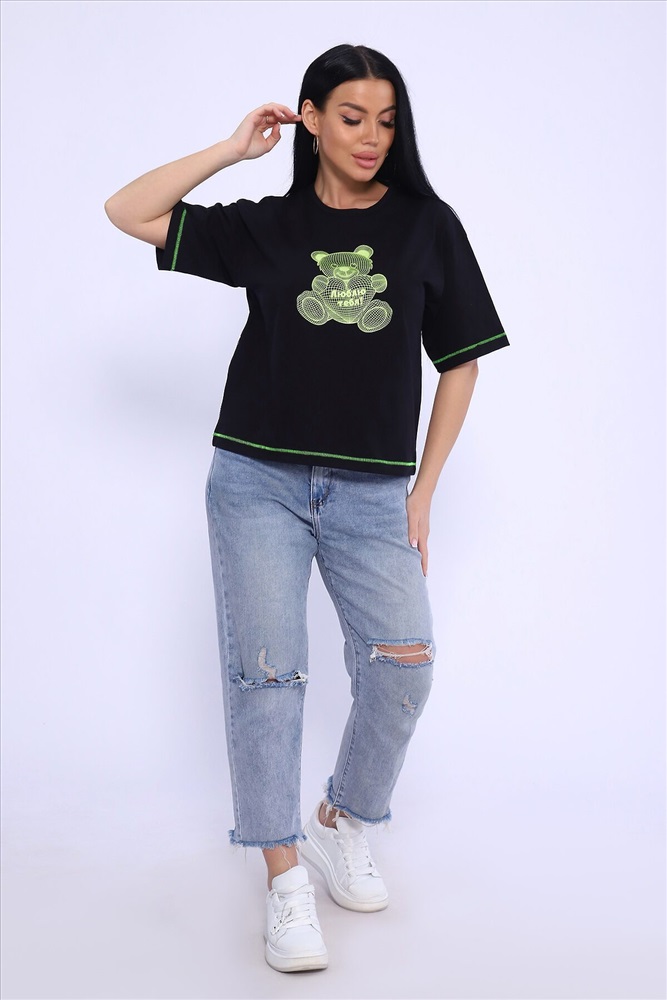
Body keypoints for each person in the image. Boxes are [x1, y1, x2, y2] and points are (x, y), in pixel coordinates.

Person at [105, 43, 509, 973]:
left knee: (404, 667)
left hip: (373, 494)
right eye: (352, 117)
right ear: (312, 118)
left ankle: (339, 819)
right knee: (268, 678)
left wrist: (423, 491)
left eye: (386, 121)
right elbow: (128, 210)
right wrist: (229, 150)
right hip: (256, 483)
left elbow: (461, 362)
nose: (371, 137)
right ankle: (283, 877)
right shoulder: (267, 226)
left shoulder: (426, 225)